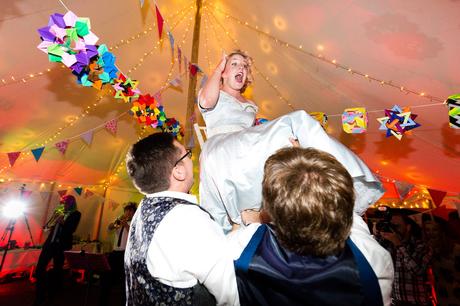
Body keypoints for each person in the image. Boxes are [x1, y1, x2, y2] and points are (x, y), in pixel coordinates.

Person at [198, 50, 384, 232]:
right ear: (224, 71)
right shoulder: (215, 92)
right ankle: (345, 173)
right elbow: (205, 101)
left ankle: (332, 185)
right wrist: (218, 69)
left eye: (245, 66)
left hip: (244, 150)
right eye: (234, 64)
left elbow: (252, 134)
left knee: (292, 144)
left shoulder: (251, 105)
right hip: (221, 148)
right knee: (298, 120)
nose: (241, 68)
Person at [227, 147, 393, 306]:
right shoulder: (372, 257)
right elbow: (348, 216)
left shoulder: (242, 245)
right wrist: (307, 170)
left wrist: (251, 220)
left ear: (270, 210)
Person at [124, 132, 239, 305]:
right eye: (187, 154)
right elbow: (230, 294)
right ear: (178, 171)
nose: (191, 161)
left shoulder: (143, 209)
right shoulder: (188, 218)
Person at [375, 211, 433, 306]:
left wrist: (398, 244)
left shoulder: (421, 246)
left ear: (408, 227)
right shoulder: (388, 245)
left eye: (397, 226)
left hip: (416, 302)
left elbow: (417, 271)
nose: (393, 230)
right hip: (395, 302)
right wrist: (378, 233)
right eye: (391, 226)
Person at [34, 194, 81, 305]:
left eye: (64, 202)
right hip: (50, 243)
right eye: (62, 202)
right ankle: (40, 293)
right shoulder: (59, 212)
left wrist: (62, 222)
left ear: (70, 203)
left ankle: (53, 293)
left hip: (61, 245)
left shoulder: (76, 214)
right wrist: (52, 223)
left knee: (57, 269)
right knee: (40, 267)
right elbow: (50, 226)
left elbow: (71, 230)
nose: (62, 204)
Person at [99, 202, 137, 306]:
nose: (128, 213)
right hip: (115, 253)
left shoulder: (135, 222)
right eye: (127, 210)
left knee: (124, 280)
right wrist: (116, 222)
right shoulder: (119, 221)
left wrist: (126, 225)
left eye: (130, 211)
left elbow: (133, 235)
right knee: (107, 276)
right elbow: (110, 228)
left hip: (125, 254)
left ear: (134, 213)